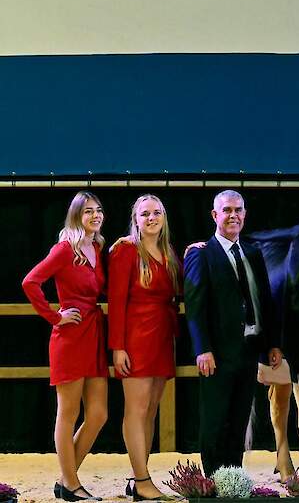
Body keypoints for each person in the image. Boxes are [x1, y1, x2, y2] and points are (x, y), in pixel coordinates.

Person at [184, 190, 283, 475]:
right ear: (215, 215)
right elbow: (195, 307)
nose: (233, 215)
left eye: (238, 210)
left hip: (250, 348)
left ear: (245, 214)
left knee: (240, 418)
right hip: (217, 351)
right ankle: (214, 479)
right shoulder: (200, 254)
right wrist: (203, 348)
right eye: (226, 210)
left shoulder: (252, 252)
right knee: (216, 418)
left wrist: (273, 343)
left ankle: (232, 476)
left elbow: (264, 300)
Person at [22, 191, 109, 502]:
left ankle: (65, 480)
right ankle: (71, 485)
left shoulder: (98, 247)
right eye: (88, 211)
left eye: (98, 210)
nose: (95, 216)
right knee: (68, 413)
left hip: (94, 336)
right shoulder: (63, 249)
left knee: (98, 414)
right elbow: (30, 282)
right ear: (76, 216)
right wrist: (54, 316)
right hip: (70, 338)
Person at [109, 195, 181, 500]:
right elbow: (116, 302)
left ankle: (138, 478)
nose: (151, 218)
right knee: (136, 411)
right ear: (135, 220)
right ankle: (142, 479)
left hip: (162, 338)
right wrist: (118, 347)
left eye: (157, 212)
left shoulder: (168, 252)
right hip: (136, 338)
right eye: (144, 214)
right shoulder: (126, 251)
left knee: (150, 411)